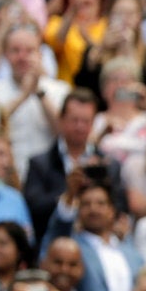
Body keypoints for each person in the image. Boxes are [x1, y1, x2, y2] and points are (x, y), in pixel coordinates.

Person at [23, 89, 125, 246]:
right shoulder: (40, 164)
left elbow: (119, 207)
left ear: (93, 123)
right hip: (53, 245)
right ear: (61, 119)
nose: (80, 127)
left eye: (86, 121)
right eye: (74, 120)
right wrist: (69, 194)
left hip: (98, 245)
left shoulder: (109, 165)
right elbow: (34, 207)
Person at [41, 178, 144, 291]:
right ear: (78, 210)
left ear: (112, 210)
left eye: (100, 203)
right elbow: (57, 233)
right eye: (86, 204)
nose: (93, 209)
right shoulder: (72, 247)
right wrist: (70, 196)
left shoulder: (130, 251)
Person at [0, 24, 69, 182]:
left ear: (40, 54)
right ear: (6, 55)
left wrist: (39, 94)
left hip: (47, 179)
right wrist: (22, 97)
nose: (22, 57)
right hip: (5, 176)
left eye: (29, 50)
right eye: (16, 50)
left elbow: (67, 134)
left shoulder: (59, 90)